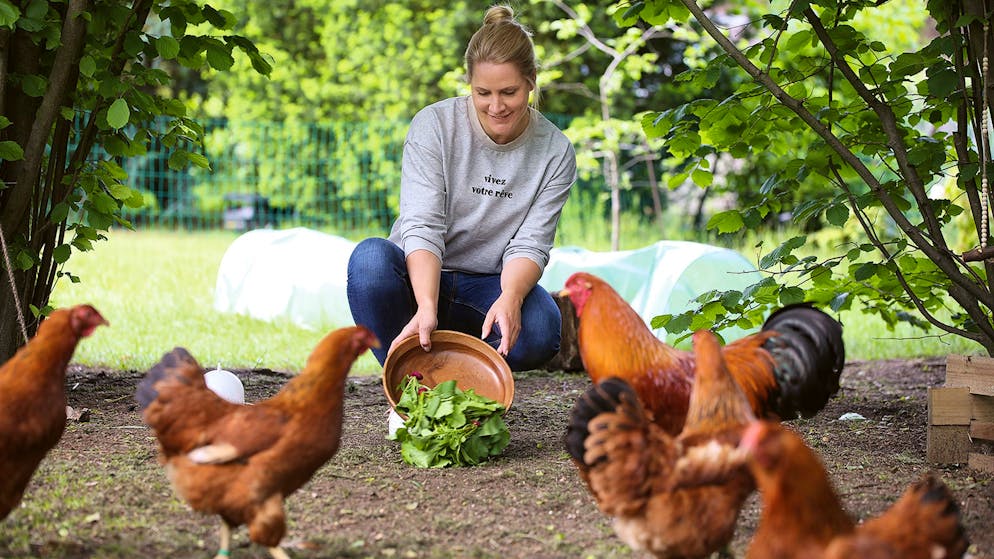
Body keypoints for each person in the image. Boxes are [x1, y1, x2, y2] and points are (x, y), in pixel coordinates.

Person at [346, 4, 577, 372]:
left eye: (509, 92)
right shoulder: (434, 126)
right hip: (419, 274)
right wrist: (425, 305)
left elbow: (531, 243)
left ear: (531, 81)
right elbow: (422, 225)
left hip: (487, 286)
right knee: (370, 260)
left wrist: (512, 297)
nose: (496, 106)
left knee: (541, 327)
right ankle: (409, 382)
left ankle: (467, 376)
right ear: (469, 83)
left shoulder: (555, 151)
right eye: (483, 92)